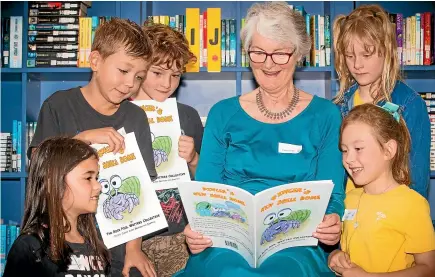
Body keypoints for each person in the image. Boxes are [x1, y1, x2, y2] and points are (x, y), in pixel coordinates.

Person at [180, 2, 345, 276]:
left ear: (298, 55)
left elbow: (334, 195)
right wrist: (197, 229)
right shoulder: (222, 114)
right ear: (247, 54)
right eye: (258, 52)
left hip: (296, 242)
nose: (268, 64)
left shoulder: (326, 115)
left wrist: (332, 220)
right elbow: (205, 193)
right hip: (227, 241)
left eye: (279, 53)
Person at [28, 18, 157, 277]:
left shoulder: (136, 118)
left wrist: (134, 248)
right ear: (96, 61)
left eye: (139, 77)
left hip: (118, 249)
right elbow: (39, 167)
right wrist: (82, 139)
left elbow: (142, 189)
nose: (130, 83)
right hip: (64, 248)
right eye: (123, 71)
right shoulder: (58, 106)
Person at [333, 4, 430, 199]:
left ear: (386, 51)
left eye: (366, 55)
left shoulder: (409, 105)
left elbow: (418, 181)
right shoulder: (340, 105)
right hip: (349, 215)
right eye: (350, 56)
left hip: (391, 216)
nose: (357, 65)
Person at [329, 103, 435, 276]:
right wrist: (335, 256)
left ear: (388, 150)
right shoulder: (348, 198)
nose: (348, 159)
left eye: (358, 149)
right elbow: (343, 250)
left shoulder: (412, 204)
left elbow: (429, 268)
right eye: (344, 150)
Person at [131, 23, 204, 276]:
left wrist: (193, 157)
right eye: (158, 73)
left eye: (176, 75)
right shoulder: (119, 113)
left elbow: (204, 179)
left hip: (179, 233)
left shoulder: (188, 116)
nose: (167, 84)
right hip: (130, 236)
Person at [4, 137, 110, 276]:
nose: (98, 186)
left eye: (96, 177)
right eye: (88, 178)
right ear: (53, 183)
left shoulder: (97, 245)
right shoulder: (30, 248)